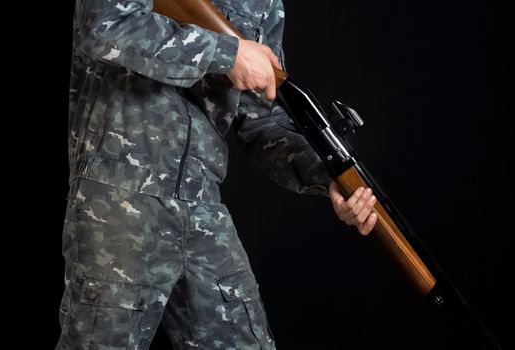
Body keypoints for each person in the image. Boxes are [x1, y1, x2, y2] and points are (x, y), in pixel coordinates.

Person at [56, 0, 377, 349]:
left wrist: (327, 175)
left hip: (203, 206)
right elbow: (103, 27)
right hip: (119, 196)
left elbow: (262, 121)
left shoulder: (264, 4)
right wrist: (227, 53)